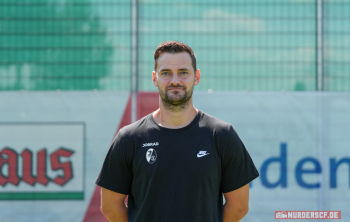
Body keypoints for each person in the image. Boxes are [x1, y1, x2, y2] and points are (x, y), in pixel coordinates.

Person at [96, 41, 259, 222]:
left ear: (196, 77)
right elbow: (110, 207)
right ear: (154, 78)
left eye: (183, 72)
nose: (175, 80)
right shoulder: (129, 138)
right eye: (166, 73)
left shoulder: (222, 135)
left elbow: (239, 207)